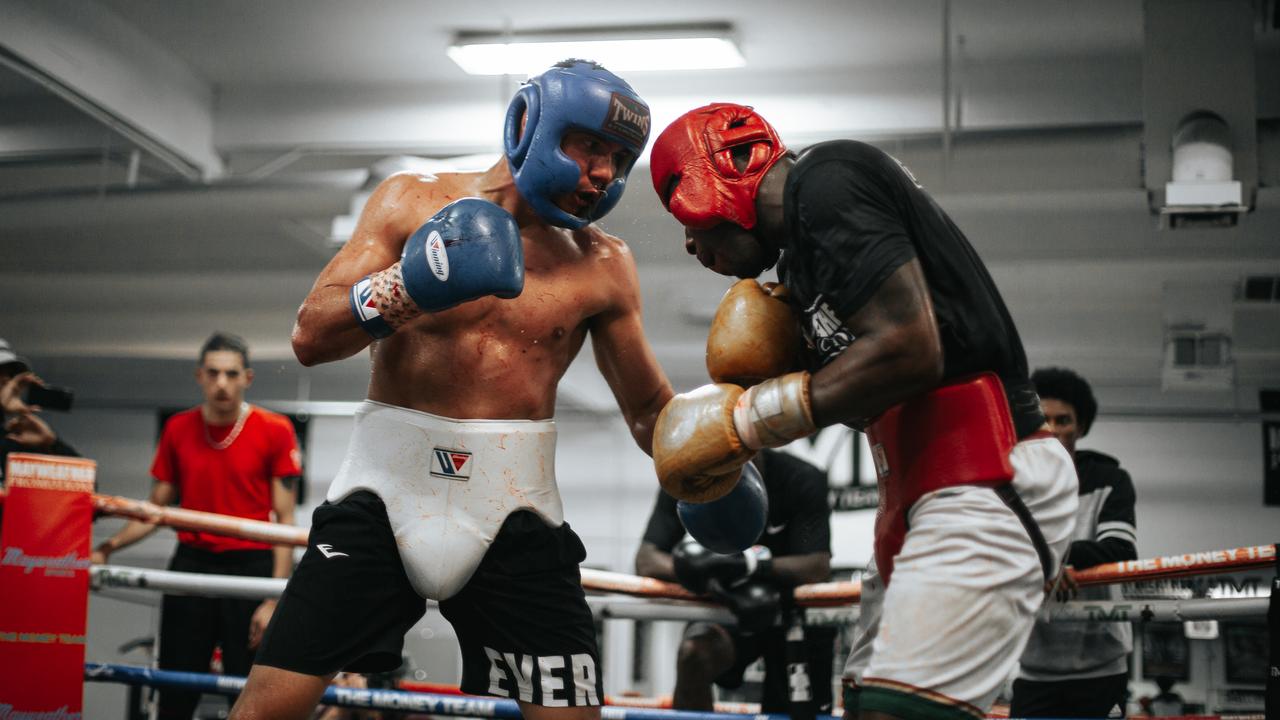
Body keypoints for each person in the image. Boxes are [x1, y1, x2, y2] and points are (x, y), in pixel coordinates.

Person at [230, 60, 673, 720]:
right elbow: (310, 336)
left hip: (516, 506)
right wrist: (412, 286)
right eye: (591, 147)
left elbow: (647, 413)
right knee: (264, 712)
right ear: (531, 126)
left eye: (618, 158)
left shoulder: (605, 264)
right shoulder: (409, 201)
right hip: (383, 493)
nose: (605, 173)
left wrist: (724, 448)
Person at [646, 103, 1079, 720]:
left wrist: (747, 421)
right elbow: (865, 401)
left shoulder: (826, 180)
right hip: (915, 484)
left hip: (986, 477)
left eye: (682, 212)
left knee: (896, 711)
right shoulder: (799, 266)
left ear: (727, 170)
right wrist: (788, 373)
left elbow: (911, 345)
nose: (689, 242)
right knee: (863, 703)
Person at [92, 331, 302, 720]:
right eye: (214, 373)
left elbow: (285, 521)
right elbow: (155, 510)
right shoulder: (178, 428)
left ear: (247, 378)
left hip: (251, 568)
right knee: (176, 686)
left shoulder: (275, 429)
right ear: (200, 376)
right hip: (192, 564)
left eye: (231, 374)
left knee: (248, 692)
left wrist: (274, 596)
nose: (222, 383)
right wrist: (107, 548)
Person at [635, 449, 834, 715]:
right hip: (727, 604)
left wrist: (746, 564)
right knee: (694, 654)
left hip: (789, 612)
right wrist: (705, 568)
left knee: (792, 710)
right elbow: (647, 560)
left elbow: (816, 566)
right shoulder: (690, 477)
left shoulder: (801, 478)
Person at [1011, 367, 1138, 719]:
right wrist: (1049, 564)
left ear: (1080, 427)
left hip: (1101, 667)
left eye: (1063, 420)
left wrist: (1054, 559)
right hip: (1034, 667)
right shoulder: (1013, 487)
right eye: (1043, 420)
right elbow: (1000, 552)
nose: (1052, 430)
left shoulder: (1109, 479)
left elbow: (1120, 549)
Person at [0, 337, 79, 488]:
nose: (5, 381)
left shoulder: (16, 440)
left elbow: (84, 490)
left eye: (10, 375)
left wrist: (51, 445)